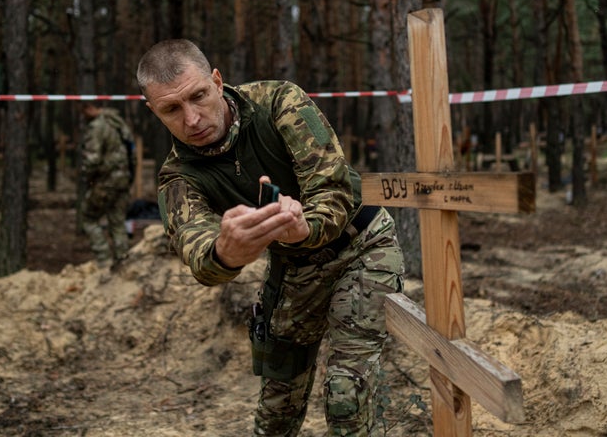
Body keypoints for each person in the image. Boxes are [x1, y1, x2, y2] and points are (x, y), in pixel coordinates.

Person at [137, 39, 405, 436]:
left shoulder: (278, 101)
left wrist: (305, 229)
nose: (192, 119)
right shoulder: (178, 177)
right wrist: (223, 253)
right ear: (152, 111)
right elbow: (197, 249)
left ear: (216, 81)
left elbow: (334, 190)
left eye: (198, 97)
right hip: (294, 268)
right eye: (171, 109)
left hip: (360, 246)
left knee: (346, 393)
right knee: (277, 404)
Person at [80, 103, 134, 270]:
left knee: (88, 218)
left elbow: (92, 160)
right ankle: (123, 262)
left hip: (105, 183)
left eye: (83, 111)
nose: (83, 115)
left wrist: (87, 177)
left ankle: (103, 261)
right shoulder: (117, 122)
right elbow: (131, 151)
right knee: (118, 222)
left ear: (90, 107)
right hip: (122, 181)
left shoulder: (97, 127)